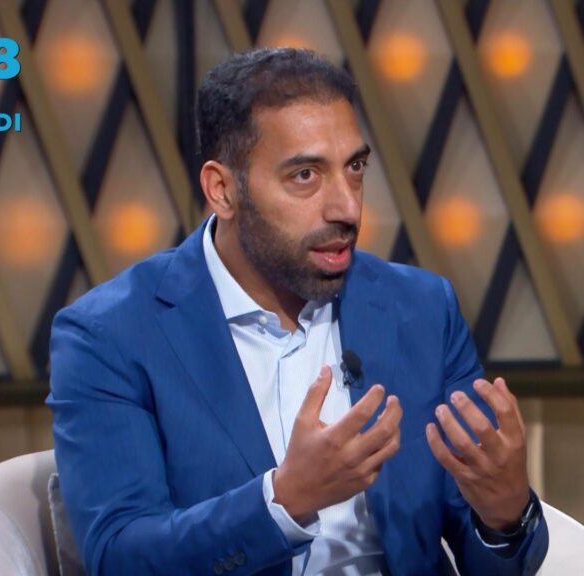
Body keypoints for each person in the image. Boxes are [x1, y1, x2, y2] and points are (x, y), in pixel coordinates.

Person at [48, 47, 548, 576]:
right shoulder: (111, 334)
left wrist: (505, 514)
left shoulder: (421, 310)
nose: (347, 207)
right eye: (305, 175)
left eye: (355, 168)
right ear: (222, 190)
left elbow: (492, 559)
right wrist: (283, 501)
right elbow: (121, 556)